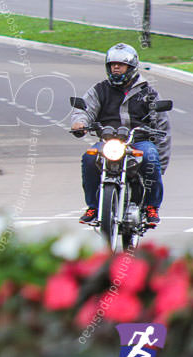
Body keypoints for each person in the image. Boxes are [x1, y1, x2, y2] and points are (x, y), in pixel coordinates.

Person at [71, 43, 171, 226]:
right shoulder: (99, 89)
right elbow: (84, 110)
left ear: (131, 67)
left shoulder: (148, 92)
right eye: (112, 64)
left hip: (138, 142)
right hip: (109, 141)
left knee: (150, 157)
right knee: (89, 157)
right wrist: (80, 123)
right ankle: (93, 206)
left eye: (120, 64)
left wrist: (161, 164)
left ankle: (151, 206)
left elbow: (162, 127)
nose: (115, 67)